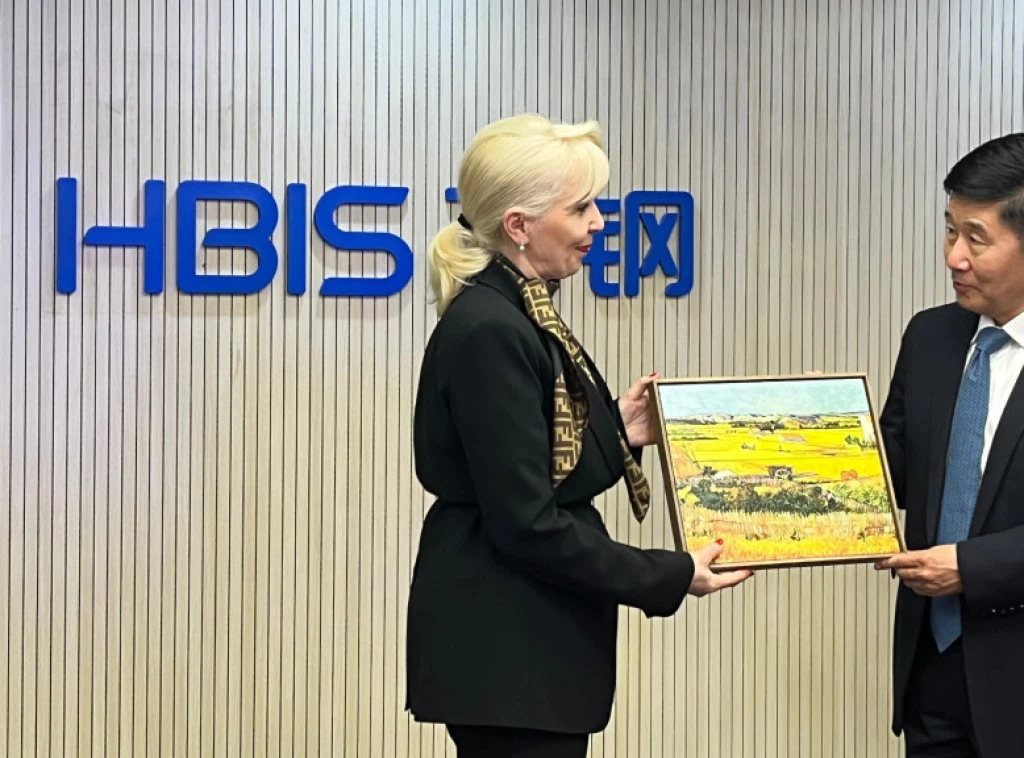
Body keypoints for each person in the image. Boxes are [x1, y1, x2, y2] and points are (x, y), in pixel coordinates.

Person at [405, 113, 751, 757]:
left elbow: (542, 474)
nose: (598, 222)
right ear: (519, 226)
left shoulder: (516, 310)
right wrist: (669, 573)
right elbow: (528, 523)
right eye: (581, 207)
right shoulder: (492, 329)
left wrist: (620, 430)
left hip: (525, 657)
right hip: (510, 656)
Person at [876, 132, 1024, 758]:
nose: (953, 257)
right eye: (949, 230)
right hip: (932, 674)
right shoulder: (931, 337)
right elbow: (892, 471)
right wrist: (819, 437)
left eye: (976, 238)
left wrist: (972, 567)